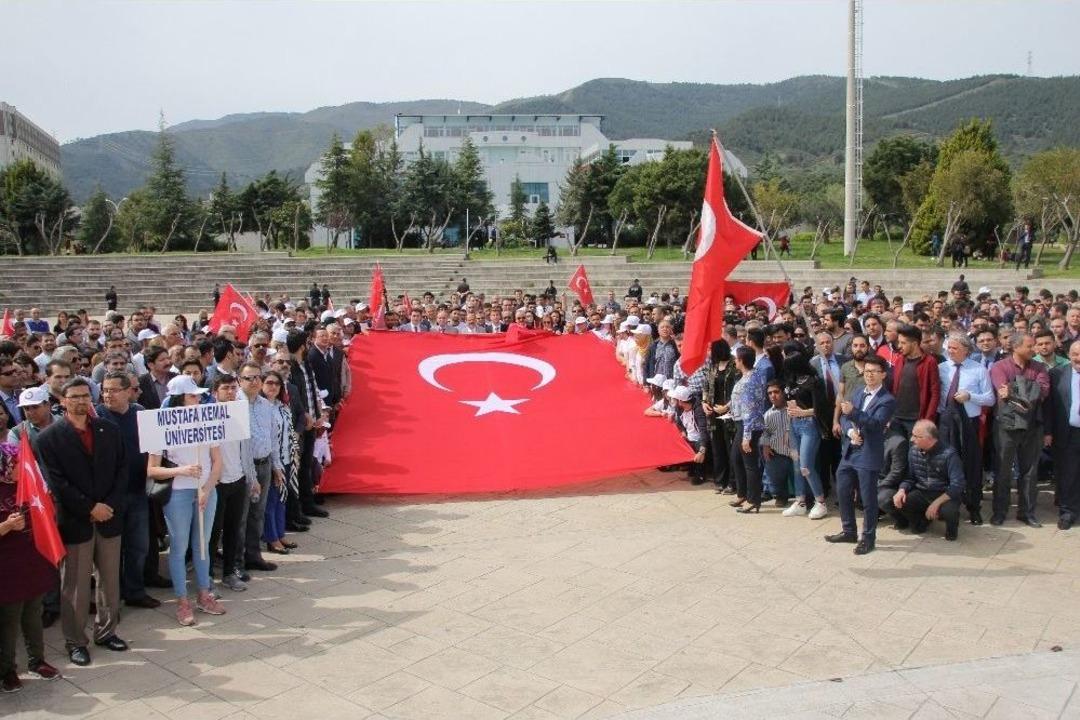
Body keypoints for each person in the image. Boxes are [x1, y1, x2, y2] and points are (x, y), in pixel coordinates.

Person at [36, 378, 128, 667]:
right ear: (62, 401)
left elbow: (122, 470)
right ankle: (75, 641)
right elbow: (57, 483)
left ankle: (107, 631)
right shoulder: (48, 438)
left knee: (109, 581)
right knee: (75, 587)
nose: (81, 401)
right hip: (76, 521)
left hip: (109, 517)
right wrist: (90, 508)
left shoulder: (109, 430)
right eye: (74, 396)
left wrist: (108, 505)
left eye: (85, 396)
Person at [147, 376, 226, 626]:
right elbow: (152, 470)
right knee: (179, 546)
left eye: (198, 396)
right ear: (179, 399)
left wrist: (207, 488)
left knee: (202, 544)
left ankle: (204, 593)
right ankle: (182, 601)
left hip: (205, 492)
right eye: (193, 396)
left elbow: (218, 462)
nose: (198, 400)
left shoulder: (206, 420)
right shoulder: (160, 427)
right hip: (178, 493)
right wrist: (181, 471)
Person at [94, 372, 160, 610]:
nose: (108, 395)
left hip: (138, 491)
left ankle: (135, 591)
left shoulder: (140, 414)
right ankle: (112, 598)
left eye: (113, 390)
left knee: (139, 546)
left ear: (128, 392)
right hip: (110, 496)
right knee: (111, 552)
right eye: (105, 390)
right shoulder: (96, 416)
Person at [0, 442, 62, 692]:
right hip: (8, 568)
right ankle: (7, 670)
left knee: (33, 614)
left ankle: (38, 661)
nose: (21, 466)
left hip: (32, 562)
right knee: (9, 621)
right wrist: (6, 526)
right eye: (16, 463)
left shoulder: (28, 485)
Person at [826, 355, 896, 554]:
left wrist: (854, 413)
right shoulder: (857, 392)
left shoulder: (887, 400)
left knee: (867, 498)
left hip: (869, 452)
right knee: (843, 490)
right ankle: (849, 530)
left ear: (883, 374)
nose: (869, 375)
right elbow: (845, 418)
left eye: (874, 372)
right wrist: (850, 432)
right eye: (866, 371)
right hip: (851, 449)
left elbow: (876, 424)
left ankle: (868, 538)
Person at [989, 332, 1050, 527]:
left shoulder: (1040, 367)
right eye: (1030, 346)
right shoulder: (999, 367)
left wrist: (1014, 390)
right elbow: (1002, 391)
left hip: (1032, 426)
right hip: (1006, 425)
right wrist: (1026, 390)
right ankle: (1000, 511)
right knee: (1003, 470)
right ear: (1015, 347)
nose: (1034, 349)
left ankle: (1027, 512)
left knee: (1030, 471)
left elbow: (1042, 391)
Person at [937, 333, 994, 525]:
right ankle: (947, 506)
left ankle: (973, 507)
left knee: (971, 465)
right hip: (946, 422)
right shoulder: (942, 368)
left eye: (954, 348)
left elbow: (990, 399)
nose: (950, 351)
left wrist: (970, 396)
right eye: (949, 348)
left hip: (969, 423)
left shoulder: (978, 370)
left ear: (966, 350)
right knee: (946, 464)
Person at [780, 343, 831, 520]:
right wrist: (788, 427)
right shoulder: (791, 381)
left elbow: (821, 408)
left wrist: (803, 412)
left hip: (809, 425)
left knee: (806, 466)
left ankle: (820, 502)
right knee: (796, 464)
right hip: (793, 425)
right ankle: (800, 501)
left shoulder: (813, 382)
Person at [890, 420, 964, 541]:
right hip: (923, 492)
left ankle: (951, 530)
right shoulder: (913, 451)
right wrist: (901, 490)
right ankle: (921, 521)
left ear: (929, 438)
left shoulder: (949, 454)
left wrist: (936, 503)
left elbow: (957, 485)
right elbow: (910, 477)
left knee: (949, 511)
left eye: (916, 436)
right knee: (900, 501)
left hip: (944, 494)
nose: (911, 439)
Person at [1046, 340, 1080, 530]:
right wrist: (1048, 431)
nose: (1078, 358)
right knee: (1068, 474)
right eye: (1075, 354)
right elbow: (1050, 406)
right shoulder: (1057, 374)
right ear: (1069, 355)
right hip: (1067, 433)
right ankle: (1067, 512)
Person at [729, 346, 766, 512]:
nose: (734, 361)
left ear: (741, 361)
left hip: (748, 425)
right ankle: (742, 493)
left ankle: (753, 499)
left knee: (749, 463)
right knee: (736, 458)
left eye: (736, 359)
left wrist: (746, 436)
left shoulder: (748, 381)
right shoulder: (753, 375)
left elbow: (749, 410)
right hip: (743, 423)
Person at [889, 324, 940, 440]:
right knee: (896, 450)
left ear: (915, 344)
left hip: (916, 420)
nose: (899, 346)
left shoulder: (929, 362)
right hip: (896, 418)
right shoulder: (900, 360)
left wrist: (927, 420)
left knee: (915, 451)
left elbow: (935, 393)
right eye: (899, 342)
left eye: (903, 343)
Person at [760, 381, 796, 508]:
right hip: (778, 453)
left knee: (801, 478)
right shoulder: (768, 414)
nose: (773, 396)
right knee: (774, 475)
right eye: (770, 393)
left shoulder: (793, 409)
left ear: (783, 392)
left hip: (795, 452)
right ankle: (781, 495)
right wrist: (765, 446)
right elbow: (765, 433)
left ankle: (804, 496)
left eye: (776, 392)